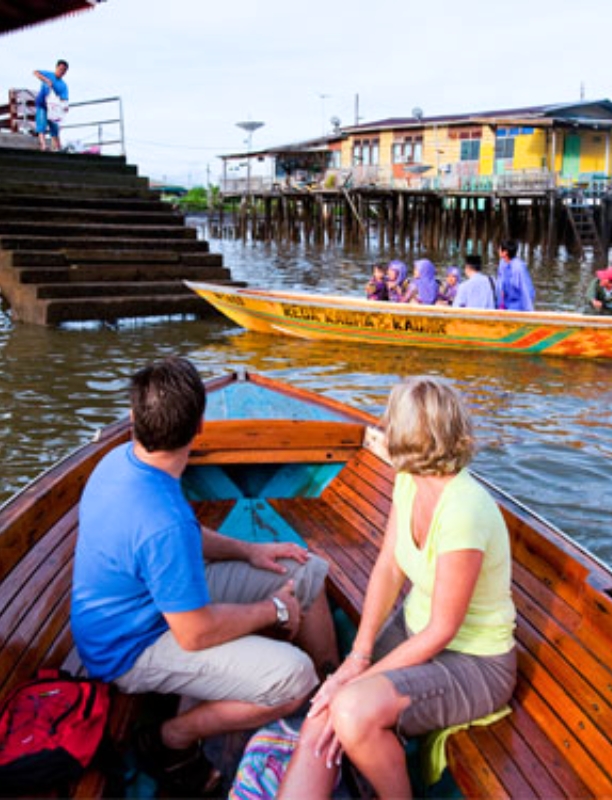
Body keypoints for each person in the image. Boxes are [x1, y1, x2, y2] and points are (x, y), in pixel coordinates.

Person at [71, 357, 338, 796]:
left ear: (136, 420)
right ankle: (172, 738)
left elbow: (185, 538)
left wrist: (251, 550)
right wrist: (273, 610)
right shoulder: (162, 521)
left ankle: (332, 689)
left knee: (303, 571)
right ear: (200, 427)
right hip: (130, 646)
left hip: (156, 602)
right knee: (295, 677)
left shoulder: (122, 461)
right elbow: (194, 633)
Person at [279, 376, 517, 800]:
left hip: (474, 662)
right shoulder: (409, 482)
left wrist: (357, 682)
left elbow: (443, 631)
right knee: (325, 709)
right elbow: (389, 568)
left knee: (350, 708)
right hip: (415, 632)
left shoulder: (464, 509)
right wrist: (357, 657)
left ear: (404, 436)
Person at [33, 59, 69, 151]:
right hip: (42, 104)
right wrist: (46, 80)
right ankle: (43, 145)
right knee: (42, 124)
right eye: (60, 69)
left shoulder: (63, 85)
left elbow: (64, 98)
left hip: (53, 107)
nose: (62, 72)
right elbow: (35, 72)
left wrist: (65, 106)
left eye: (64, 71)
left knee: (55, 127)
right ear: (56, 68)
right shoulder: (49, 74)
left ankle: (58, 147)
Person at [496, 240, 535, 311]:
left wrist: (530, 311)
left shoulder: (518, 267)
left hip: (517, 305)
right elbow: (500, 283)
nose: (498, 250)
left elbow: (525, 289)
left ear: (505, 252)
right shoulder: (502, 263)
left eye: (499, 249)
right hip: (504, 303)